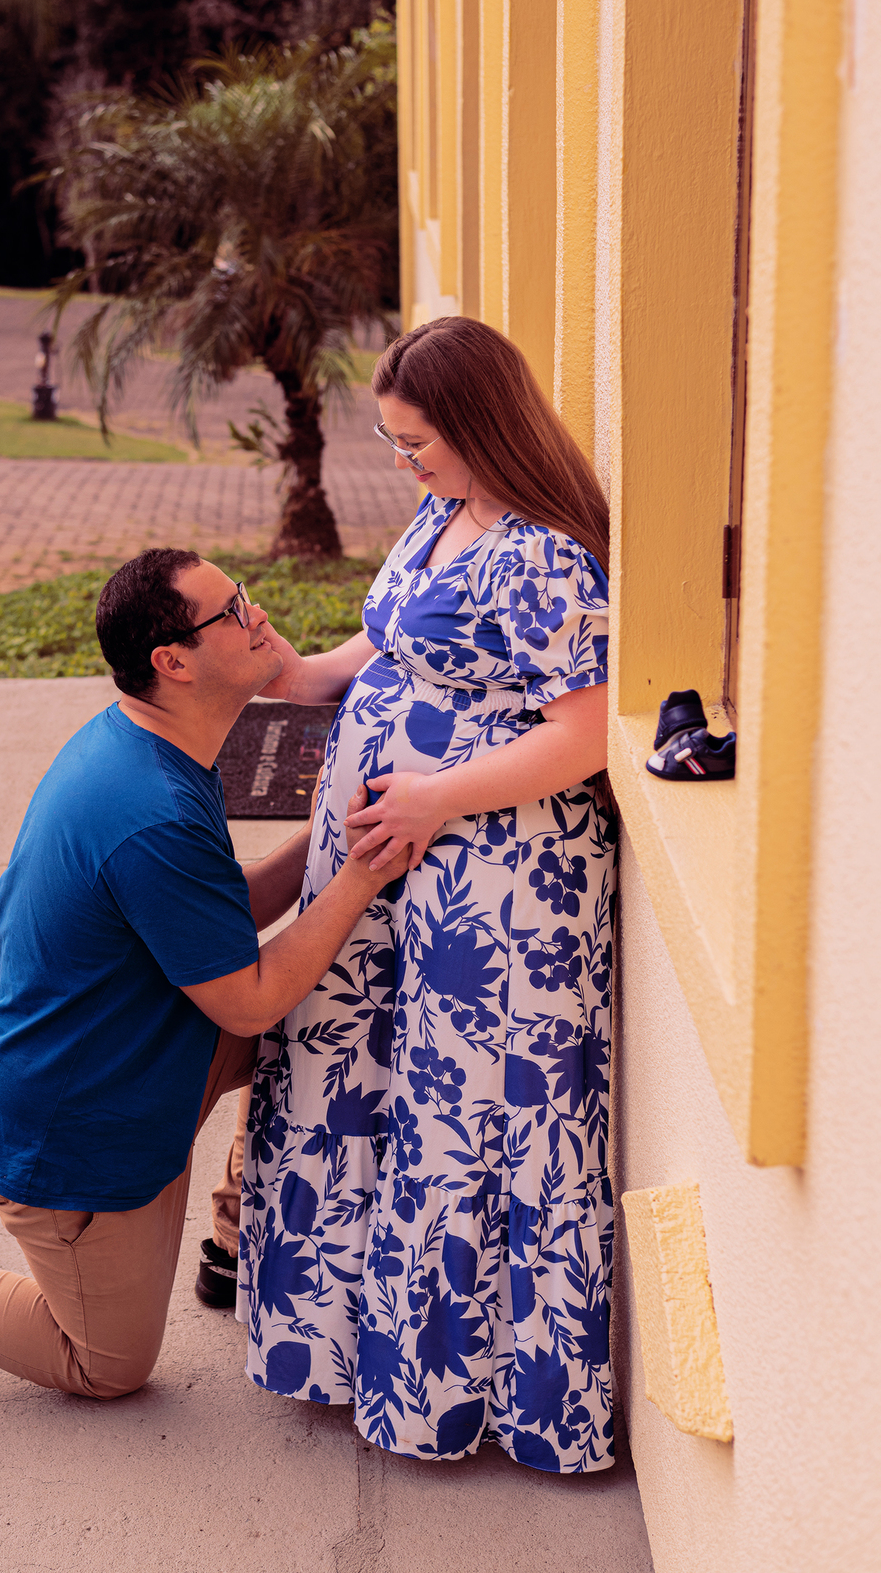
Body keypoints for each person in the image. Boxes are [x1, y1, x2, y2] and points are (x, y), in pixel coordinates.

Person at [0, 548, 410, 1396]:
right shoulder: (149, 810)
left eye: (244, 595)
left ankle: (233, 1237)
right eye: (232, 611)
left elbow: (217, 918)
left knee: (327, 1008)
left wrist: (332, 835)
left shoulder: (154, 747)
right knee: (108, 1362)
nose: (257, 613)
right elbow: (250, 999)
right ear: (173, 661)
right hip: (72, 1120)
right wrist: (362, 871)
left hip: (141, 1048)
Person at [236, 317, 616, 1471]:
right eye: (392, 442)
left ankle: (465, 1396)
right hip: (395, 860)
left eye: (418, 443)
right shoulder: (446, 510)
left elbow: (587, 731)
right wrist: (305, 676)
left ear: (482, 425)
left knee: (468, 1121)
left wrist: (435, 796)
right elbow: (394, 638)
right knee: (351, 1080)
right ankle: (342, 1351)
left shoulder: (547, 554)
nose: (403, 461)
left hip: (497, 884)